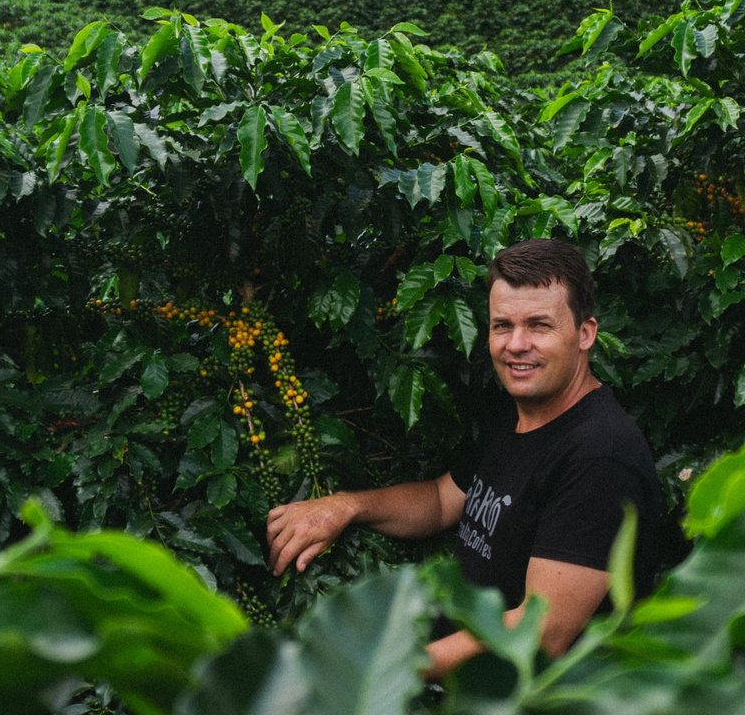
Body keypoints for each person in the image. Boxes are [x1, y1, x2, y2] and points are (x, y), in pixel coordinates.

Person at [265, 238, 682, 678]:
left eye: (539, 325)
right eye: (503, 325)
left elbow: (542, 633)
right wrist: (345, 506)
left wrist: (381, 673)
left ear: (585, 333)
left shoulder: (601, 456)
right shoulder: (516, 414)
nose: (516, 344)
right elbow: (443, 500)